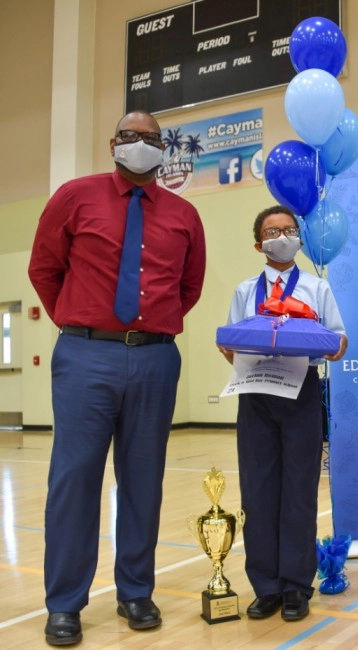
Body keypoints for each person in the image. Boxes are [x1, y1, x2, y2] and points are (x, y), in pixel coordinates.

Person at [28, 110, 206, 646]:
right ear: (113, 143)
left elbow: (189, 287)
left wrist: (148, 329)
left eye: (151, 138)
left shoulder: (184, 214)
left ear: (163, 149)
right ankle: (65, 603)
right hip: (85, 355)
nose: (140, 144)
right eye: (131, 136)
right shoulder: (74, 197)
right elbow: (44, 268)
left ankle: (135, 591)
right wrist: (80, 321)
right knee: (74, 480)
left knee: (144, 481)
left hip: (155, 358)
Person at [218, 205, 347, 622]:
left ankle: (294, 586)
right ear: (259, 244)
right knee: (257, 491)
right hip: (255, 392)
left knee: (298, 489)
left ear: (299, 239)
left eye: (289, 230)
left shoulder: (316, 288)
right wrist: (236, 351)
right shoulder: (244, 291)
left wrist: (326, 345)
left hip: (301, 391)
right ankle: (266, 586)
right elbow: (229, 342)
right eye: (272, 232)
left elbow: (339, 341)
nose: (282, 237)